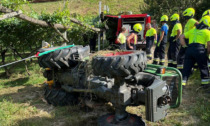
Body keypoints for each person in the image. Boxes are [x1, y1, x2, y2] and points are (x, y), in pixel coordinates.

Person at [180, 16, 210, 88]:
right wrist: (208, 53)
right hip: (200, 50)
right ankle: (205, 85)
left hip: (189, 49)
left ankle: (182, 84)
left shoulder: (193, 30)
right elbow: (209, 45)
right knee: (203, 67)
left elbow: (181, 37)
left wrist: (185, 46)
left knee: (186, 68)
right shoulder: (207, 32)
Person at [177, 8, 198, 73]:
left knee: (183, 56)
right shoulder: (188, 22)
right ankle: (182, 70)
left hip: (189, 40)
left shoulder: (192, 20)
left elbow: (199, 24)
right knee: (182, 56)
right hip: (186, 40)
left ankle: (186, 70)